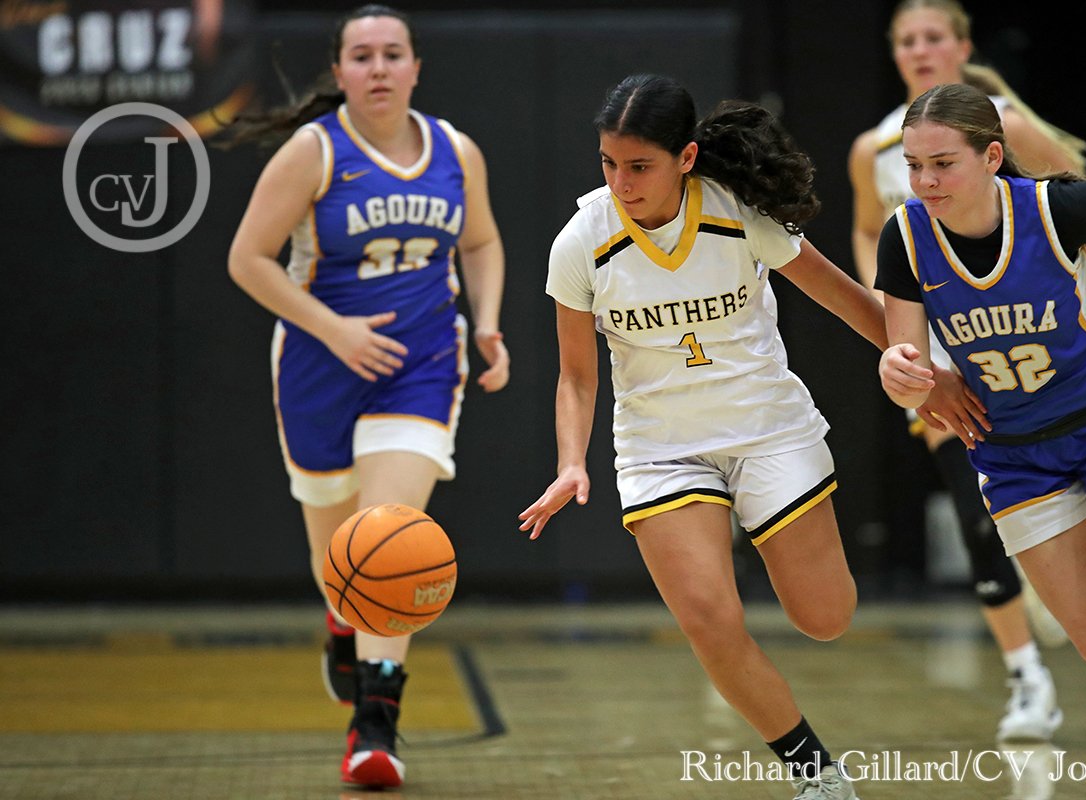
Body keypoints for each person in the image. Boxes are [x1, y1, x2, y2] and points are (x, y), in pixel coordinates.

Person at [518, 73, 982, 800]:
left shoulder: (740, 214)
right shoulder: (581, 242)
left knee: (826, 618)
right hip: (661, 449)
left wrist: (929, 376)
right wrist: (570, 463)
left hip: (768, 428)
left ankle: (773, 534)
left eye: (638, 166)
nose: (621, 182)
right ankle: (816, 776)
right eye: (609, 164)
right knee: (709, 617)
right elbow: (576, 378)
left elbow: (850, 301)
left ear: (687, 157)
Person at [226, 5, 509, 788]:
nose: (378, 67)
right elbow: (248, 259)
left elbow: (480, 242)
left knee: (389, 536)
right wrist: (336, 331)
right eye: (362, 55)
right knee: (334, 553)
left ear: (415, 66)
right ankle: (342, 621)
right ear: (340, 71)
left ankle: (375, 725)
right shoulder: (313, 153)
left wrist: (485, 323)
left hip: (420, 366)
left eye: (392, 53)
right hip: (319, 369)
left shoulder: (457, 151)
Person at [877, 81, 1086, 744]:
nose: (926, 181)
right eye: (914, 166)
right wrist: (900, 376)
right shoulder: (905, 237)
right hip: (1014, 456)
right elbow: (907, 371)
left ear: (992, 157)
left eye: (943, 164)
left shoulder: (1057, 209)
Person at [848, 0, 1086, 742]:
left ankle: (1062, 582)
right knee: (974, 514)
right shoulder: (875, 149)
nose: (920, 51)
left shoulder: (1005, 127)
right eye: (906, 41)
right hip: (942, 359)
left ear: (962, 47)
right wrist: (897, 326)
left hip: (1029, 346)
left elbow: (1085, 198)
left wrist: (1078, 296)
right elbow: (867, 231)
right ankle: (1028, 680)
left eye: (933, 38)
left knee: (1062, 512)